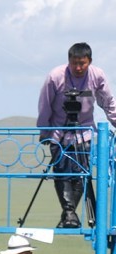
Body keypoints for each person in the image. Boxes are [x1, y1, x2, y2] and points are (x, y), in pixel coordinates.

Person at [37, 43, 116, 228]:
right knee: (62, 174)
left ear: (90, 62)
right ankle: (69, 215)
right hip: (58, 132)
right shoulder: (55, 76)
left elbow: (108, 102)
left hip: (85, 132)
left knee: (82, 174)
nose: (78, 68)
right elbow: (45, 105)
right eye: (74, 63)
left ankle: (69, 215)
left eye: (82, 63)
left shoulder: (97, 75)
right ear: (69, 61)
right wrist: (44, 132)